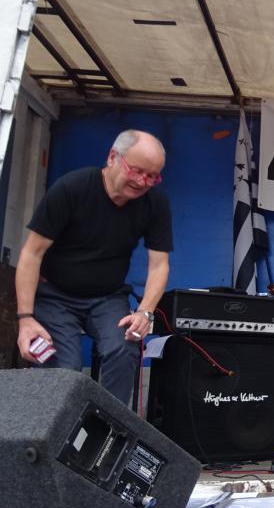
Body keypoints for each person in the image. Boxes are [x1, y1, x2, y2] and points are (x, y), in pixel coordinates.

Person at [15, 129, 172, 405]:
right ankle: (57, 438)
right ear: (113, 157)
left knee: (124, 348)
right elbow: (31, 252)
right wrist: (25, 319)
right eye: (137, 171)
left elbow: (159, 265)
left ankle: (111, 432)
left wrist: (145, 312)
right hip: (54, 294)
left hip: (108, 297)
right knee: (62, 365)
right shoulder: (71, 188)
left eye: (152, 176)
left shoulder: (155, 203)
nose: (142, 182)